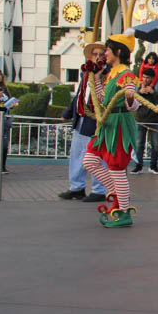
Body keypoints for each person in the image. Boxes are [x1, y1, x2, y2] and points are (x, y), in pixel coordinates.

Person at [82, 32, 141, 228]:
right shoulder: (110, 74)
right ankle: (117, 192)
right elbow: (101, 100)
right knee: (90, 161)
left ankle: (123, 211)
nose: (104, 53)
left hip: (119, 124)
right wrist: (97, 79)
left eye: (107, 49)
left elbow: (132, 105)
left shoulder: (127, 75)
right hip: (106, 123)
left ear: (117, 51)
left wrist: (131, 97)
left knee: (116, 169)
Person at [58, 41, 109, 202]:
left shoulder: (107, 75)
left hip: (95, 121)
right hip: (81, 118)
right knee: (77, 154)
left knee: (96, 157)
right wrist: (67, 113)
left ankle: (99, 189)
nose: (98, 57)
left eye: (101, 54)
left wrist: (99, 77)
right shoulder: (86, 74)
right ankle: (76, 187)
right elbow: (80, 95)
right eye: (95, 54)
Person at [132, 66, 158, 175]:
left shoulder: (157, 87)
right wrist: (140, 93)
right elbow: (131, 100)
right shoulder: (138, 86)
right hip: (141, 119)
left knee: (155, 144)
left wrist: (153, 92)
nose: (145, 80)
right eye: (144, 77)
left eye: (148, 78)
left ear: (152, 78)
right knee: (139, 144)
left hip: (154, 120)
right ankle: (138, 166)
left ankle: (153, 166)